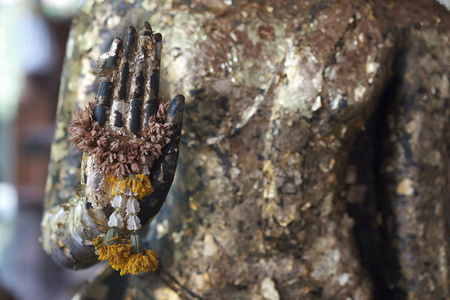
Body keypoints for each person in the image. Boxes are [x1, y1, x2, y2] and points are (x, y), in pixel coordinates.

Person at [42, 0, 450, 299]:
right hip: (173, 284)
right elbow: (57, 241)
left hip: (332, 284)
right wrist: (98, 212)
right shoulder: (126, 8)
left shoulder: (407, 17)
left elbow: (419, 247)